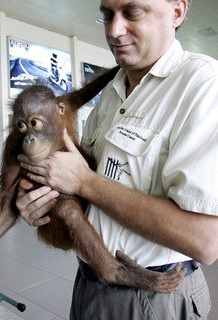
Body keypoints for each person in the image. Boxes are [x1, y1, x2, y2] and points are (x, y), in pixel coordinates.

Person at [15, 0, 218, 319]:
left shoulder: (201, 83)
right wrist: (40, 202)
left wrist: (84, 182)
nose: (113, 30)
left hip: (152, 296)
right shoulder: (109, 97)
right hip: (88, 286)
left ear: (177, 12)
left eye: (132, 13)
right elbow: (84, 197)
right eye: (107, 15)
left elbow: (205, 241)